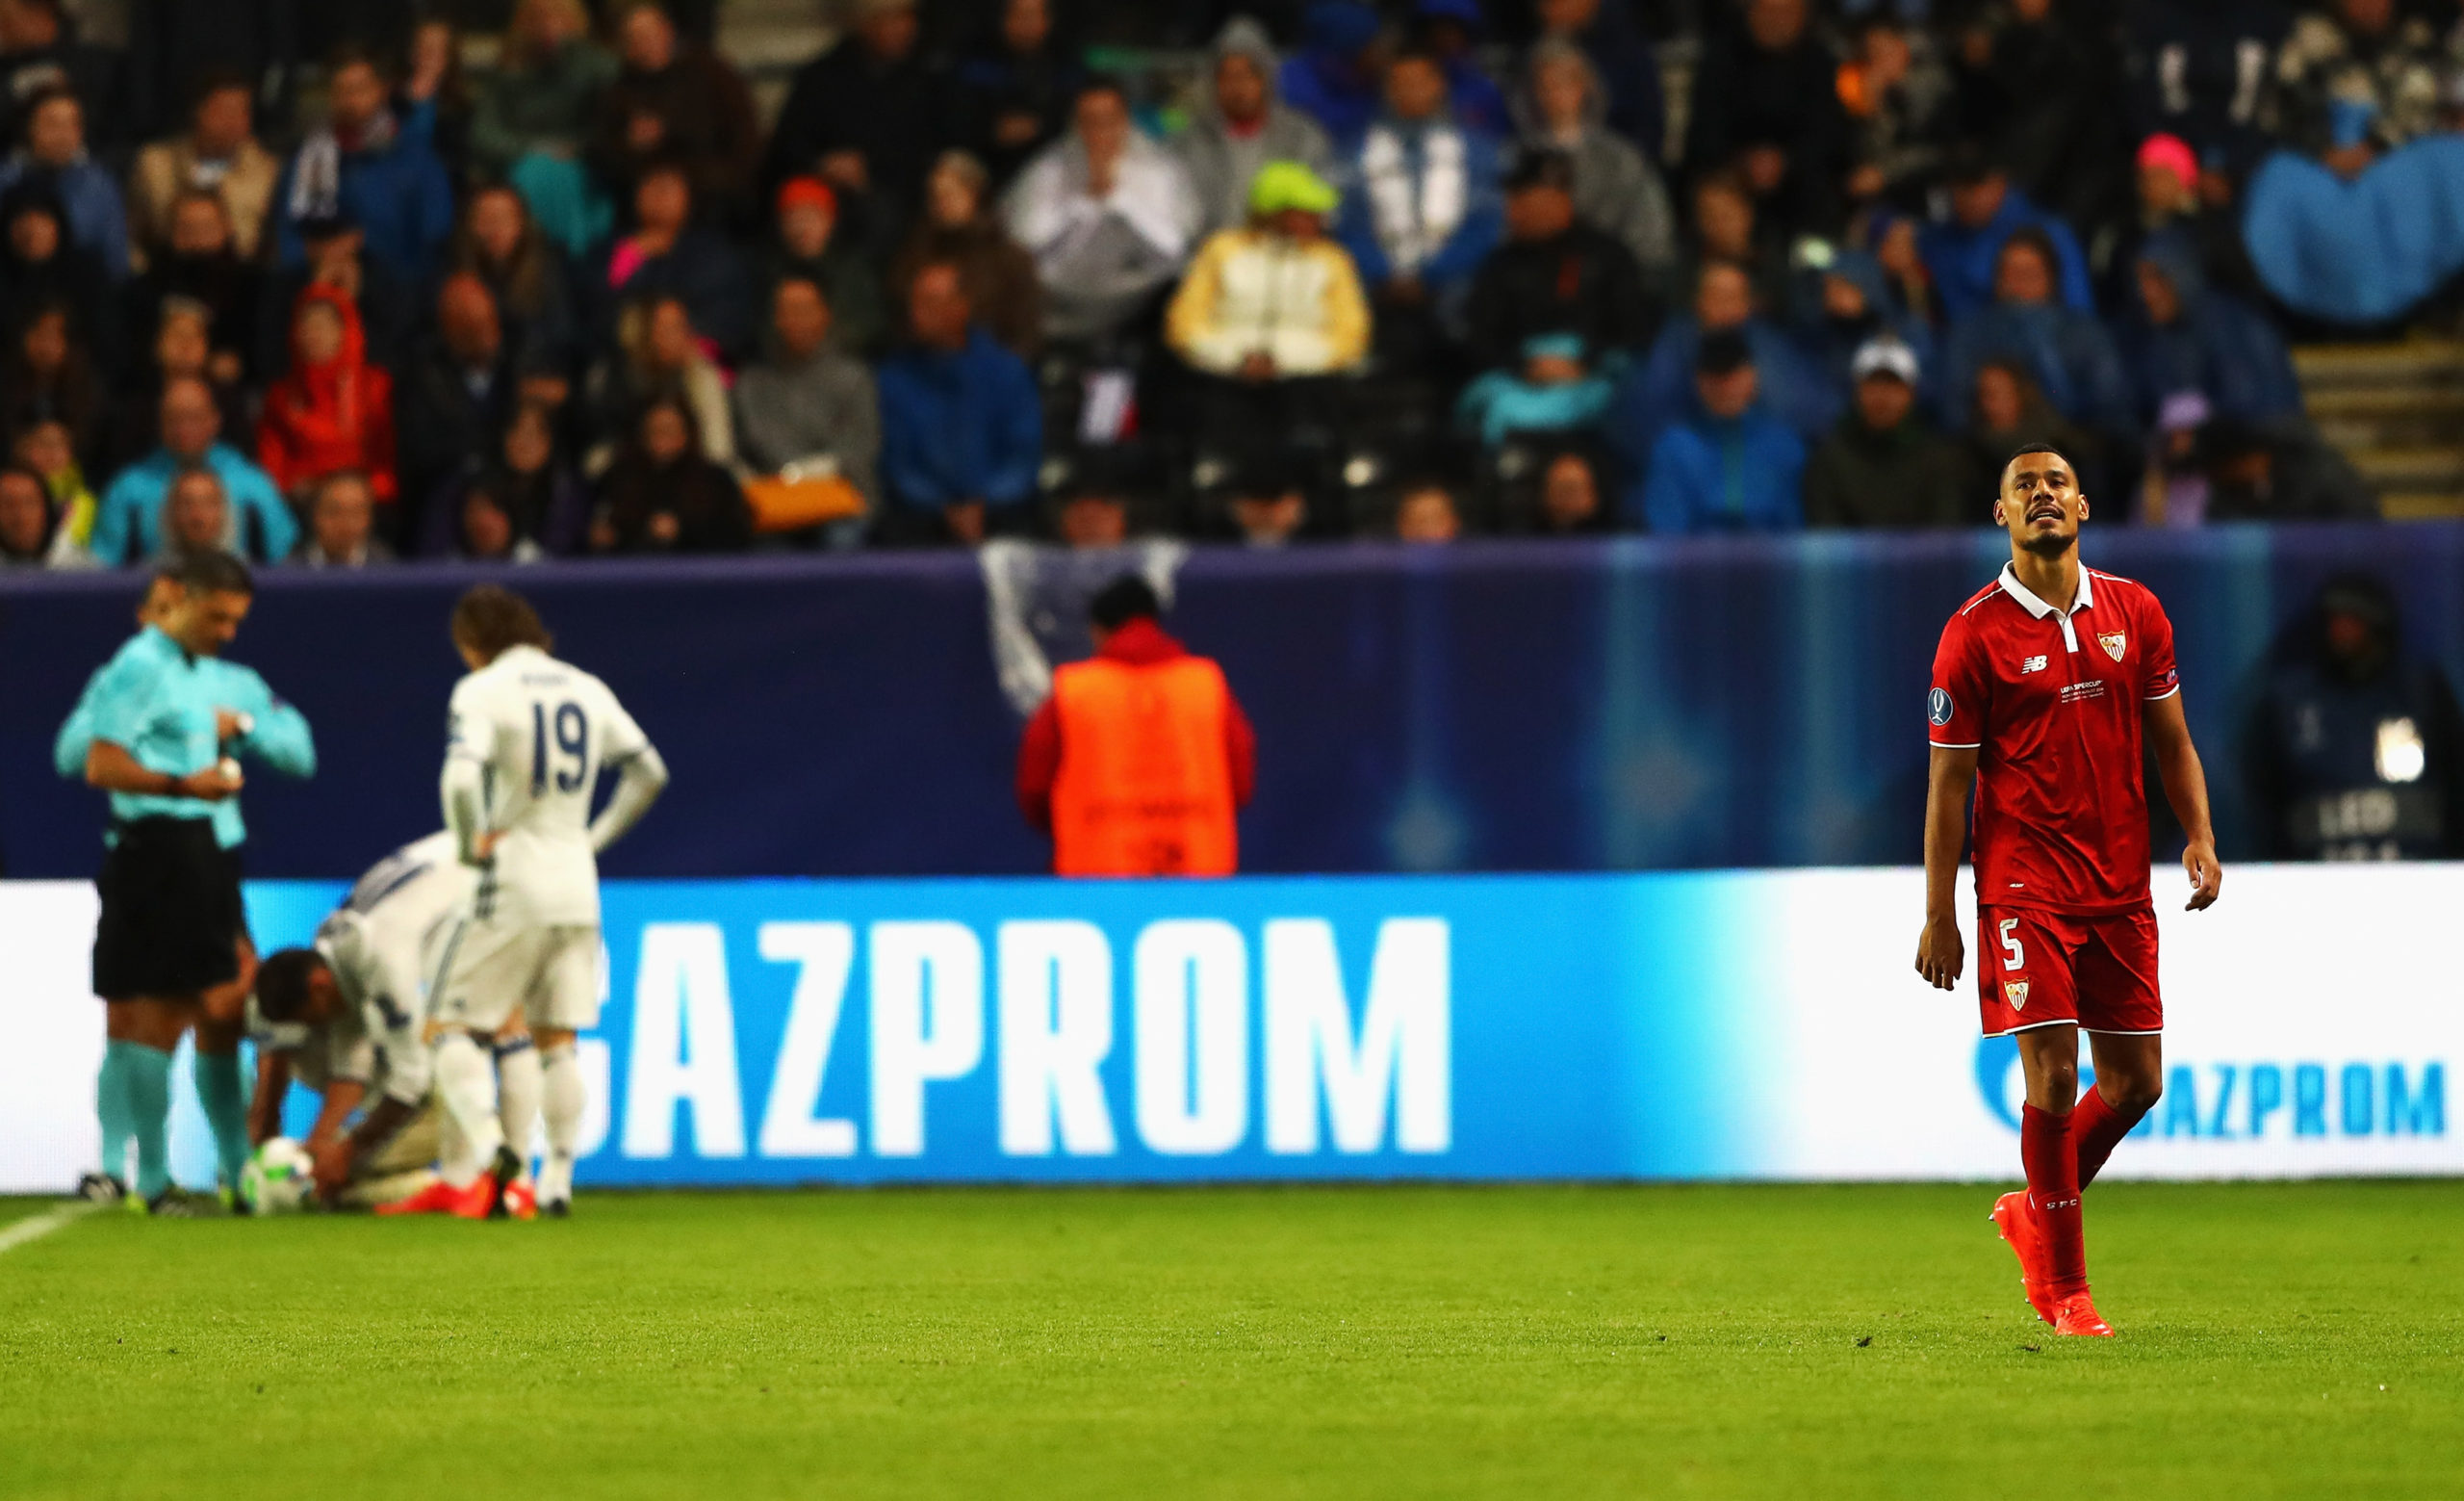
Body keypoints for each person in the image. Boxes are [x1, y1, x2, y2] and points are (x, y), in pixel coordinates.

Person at [1915, 441, 2222, 1338]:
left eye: (2056, 483)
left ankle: (2032, 1212)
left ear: (2084, 506)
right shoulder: (1973, 633)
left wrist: (2199, 834)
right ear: (2001, 515)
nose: (2042, 495)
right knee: (2052, 1073)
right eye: (2024, 487)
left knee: (2135, 1085)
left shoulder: (2136, 611)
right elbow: (1948, 786)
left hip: (2120, 885)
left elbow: (2171, 740)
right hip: (2024, 886)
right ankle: (2067, 1291)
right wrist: (1941, 911)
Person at [64, 551, 310, 1212]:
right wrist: (184, 784)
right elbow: (97, 762)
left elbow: (299, 750)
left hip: (196, 849)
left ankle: (225, 1171)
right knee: (153, 1013)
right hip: (159, 850)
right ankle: (150, 1178)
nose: (227, 632)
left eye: (236, 620)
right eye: (217, 616)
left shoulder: (190, 671)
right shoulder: (138, 667)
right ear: (179, 598)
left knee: (216, 1007)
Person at [419, 584, 668, 1218]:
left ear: (471, 642)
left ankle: (490, 1146)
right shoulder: (585, 686)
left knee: (449, 1025)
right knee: (557, 1039)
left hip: (511, 876)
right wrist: (593, 839)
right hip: (576, 881)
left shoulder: (483, 690)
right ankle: (557, 1177)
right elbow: (648, 772)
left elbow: (459, 774)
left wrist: (473, 844)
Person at [251, 833, 550, 1214]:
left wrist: (348, 1150)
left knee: (486, 1029)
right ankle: (476, 1182)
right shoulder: (335, 947)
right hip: (493, 864)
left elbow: (413, 1076)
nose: (318, 1032)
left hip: (508, 883)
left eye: (311, 1021)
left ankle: (509, 1184)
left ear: (318, 987)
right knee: (471, 1030)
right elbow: (350, 1055)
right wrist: (327, 1142)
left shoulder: (382, 959)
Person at [1015, 574, 1257, 877]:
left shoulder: (1072, 691)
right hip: (1198, 873)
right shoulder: (1206, 685)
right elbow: (1241, 781)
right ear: (1154, 622)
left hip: (1095, 874)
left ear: (1098, 631)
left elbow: (1036, 788)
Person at [2246, 572, 2464, 860]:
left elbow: (2455, 780)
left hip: (2419, 873)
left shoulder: (2422, 693)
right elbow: (2264, 799)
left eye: (2353, 620)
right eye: (2335, 620)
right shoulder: (2290, 703)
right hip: (2313, 877)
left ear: (2378, 625)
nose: (2342, 630)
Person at [1165, 160, 1369, 450]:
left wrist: (1282, 361)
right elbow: (1183, 325)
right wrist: (1236, 358)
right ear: (1274, 213)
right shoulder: (1221, 250)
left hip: (1305, 381)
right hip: (1224, 378)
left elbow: (1351, 337)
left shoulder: (1332, 259)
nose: (1318, 219)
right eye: (1305, 212)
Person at [1457, 148, 1651, 448]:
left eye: (1534, 199)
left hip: (1594, 378)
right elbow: (1480, 337)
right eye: (1515, 200)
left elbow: (1632, 329)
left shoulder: (1607, 255)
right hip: (1518, 379)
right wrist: (1525, 366)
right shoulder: (1499, 265)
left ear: (1563, 199)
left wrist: (1584, 363)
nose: (1518, 210)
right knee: (1490, 404)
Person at [1004, 76, 1200, 346]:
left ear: (1125, 121)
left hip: (1139, 307)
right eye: (1090, 121)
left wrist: (1119, 200)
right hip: (1061, 305)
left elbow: (1174, 249)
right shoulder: (1048, 171)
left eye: (1109, 120)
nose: (1100, 132)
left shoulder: (1158, 172)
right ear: (1076, 124)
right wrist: (1084, 202)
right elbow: (1025, 245)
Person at [1332, 43, 1503, 349]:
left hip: (1457, 289)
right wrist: (1383, 274)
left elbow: (1489, 224)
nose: (1411, 91)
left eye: (1421, 81)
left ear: (1439, 85)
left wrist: (1433, 276)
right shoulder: (1352, 153)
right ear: (1386, 90)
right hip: (1375, 289)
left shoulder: (1480, 153)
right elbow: (1343, 223)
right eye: (1400, 83)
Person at [875, 259, 1041, 544]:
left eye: (929, 302)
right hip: (922, 519)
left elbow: (1023, 454)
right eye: (914, 302)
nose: (917, 313)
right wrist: (945, 508)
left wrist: (982, 504)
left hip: (1000, 515)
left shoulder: (1005, 372)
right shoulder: (894, 378)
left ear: (961, 307)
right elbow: (896, 461)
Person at [763, 0, 942, 258]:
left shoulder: (923, 81)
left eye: (907, 19)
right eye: (890, 19)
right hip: (824, 189)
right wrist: (823, 164)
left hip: (899, 192)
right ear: (864, 24)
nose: (903, 28)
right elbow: (788, 144)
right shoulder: (822, 77)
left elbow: (928, 147)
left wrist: (871, 168)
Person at [270, 46, 455, 284]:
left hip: (397, 286)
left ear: (382, 90)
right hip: (319, 284)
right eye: (340, 91)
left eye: (359, 90)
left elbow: (435, 231)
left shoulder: (414, 155)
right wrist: (317, 255)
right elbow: (288, 231)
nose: (349, 101)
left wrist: (363, 243)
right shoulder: (313, 155)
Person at [1937, 228, 2134, 441]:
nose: (2017, 285)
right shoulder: (1972, 333)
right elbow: (1954, 407)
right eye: (2008, 273)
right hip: (1990, 451)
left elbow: (2111, 403)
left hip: (2071, 450)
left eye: (2028, 274)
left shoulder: (2083, 333)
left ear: (2051, 278)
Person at [1515, 39, 1675, 298]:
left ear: (1585, 87)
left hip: (1612, 288)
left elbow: (1650, 234)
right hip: (1534, 292)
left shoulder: (1621, 159)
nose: (1555, 94)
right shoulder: (1515, 158)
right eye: (1545, 85)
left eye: (1565, 82)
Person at [90, 376, 295, 566]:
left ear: (215, 420)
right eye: (174, 418)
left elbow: (286, 565)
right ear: (159, 422)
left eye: (194, 417)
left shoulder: (255, 486)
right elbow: (102, 569)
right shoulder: (128, 488)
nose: (184, 427)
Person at [1684, 0, 1845, 241]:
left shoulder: (1821, 63)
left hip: (1800, 180)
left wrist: (1786, 162)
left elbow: (1829, 133)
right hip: (1732, 173)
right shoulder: (1719, 58)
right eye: (1767, 10)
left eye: (1786, 12)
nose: (1776, 20)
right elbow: (1704, 131)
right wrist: (1743, 162)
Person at [470, 0, 617, 258]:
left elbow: (609, 125)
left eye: (557, 18)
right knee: (532, 173)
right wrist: (537, 148)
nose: (548, 27)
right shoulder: (508, 68)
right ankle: (534, 259)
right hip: (520, 165)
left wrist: (575, 146)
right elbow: (483, 134)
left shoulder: (597, 67)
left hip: (582, 165)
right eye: (538, 19)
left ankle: (570, 260)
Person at [732, 274, 882, 531]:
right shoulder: (752, 383)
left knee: (842, 540)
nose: (795, 320)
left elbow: (860, 448)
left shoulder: (854, 378)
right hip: (775, 502)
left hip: (845, 499)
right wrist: (790, 477)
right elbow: (752, 444)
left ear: (825, 314)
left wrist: (810, 472)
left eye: (804, 310)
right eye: (787, 311)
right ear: (775, 319)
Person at [590, 0, 759, 220]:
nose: (645, 44)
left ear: (668, 31)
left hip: (710, 195)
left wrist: (691, 179)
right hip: (647, 199)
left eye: (650, 34)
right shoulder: (619, 92)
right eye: (635, 38)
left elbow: (744, 140)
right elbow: (604, 155)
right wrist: (632, 145)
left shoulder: (711, 73)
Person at [1631, 329, 1805, 534]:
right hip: (1694, 563)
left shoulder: (1784, 445)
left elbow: (1795, 529)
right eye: (1715, 378)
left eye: (1733, 376)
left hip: (1771, 561)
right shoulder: (1673, 447)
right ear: (1699, 383)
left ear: (1751, 377)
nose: (1725, 388)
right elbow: (1667, 532)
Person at [1179, 17, 1335, 241]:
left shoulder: (1303, 137)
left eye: (1247, 75)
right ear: (1214, 83)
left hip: (1288, 258)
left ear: (1266, 79)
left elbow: (1323, 210)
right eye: (1227, 77)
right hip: (1211, 261)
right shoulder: (1188, 144)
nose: (1238, 88)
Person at [592, 161, 755, 366]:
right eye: (649, 186)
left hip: (698, 362)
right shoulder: (613, 249)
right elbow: (598, 316)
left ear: (688, 195)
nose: (658, 197)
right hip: (630, 365)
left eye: (667, 188)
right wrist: (630, 258)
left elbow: (729, 320)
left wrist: (690, 347)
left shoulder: (712, 252)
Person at [256, 286, 398, 511]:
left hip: (368, 507)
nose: (314, 334)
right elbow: (271, 469)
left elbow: (391, 464)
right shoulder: (281, 396)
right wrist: (296, 486)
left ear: (346, 330)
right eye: (306, 325)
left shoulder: (375, 387)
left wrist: (360, 490)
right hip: (302, 509)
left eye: (324, 325)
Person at [1804, 337, 1966, 530]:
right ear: (1857, 391)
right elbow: (1827, 540)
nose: (1882, 397)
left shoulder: (1938, 461)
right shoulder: (1830, 460)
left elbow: (1945, 538)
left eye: (1893, 385)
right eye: (1873, 384)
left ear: (1910, 393)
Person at [1917, 147, 2094, 323]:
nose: (1964, 196)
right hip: (1968, 344)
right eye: (1956, 186)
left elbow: (2079, 314)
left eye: (1975, 184)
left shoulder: (2050, 232)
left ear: (1999, 181)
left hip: (2044, 342)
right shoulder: (1938, 238)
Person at [891, 151, 1040, 359]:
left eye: (950, 195)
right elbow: (901, 317)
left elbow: (1024, 330)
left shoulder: (1008, 260)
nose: (942, 204)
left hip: (992, 371)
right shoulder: (915, 254)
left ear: (975, 195)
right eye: (935, 196)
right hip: (925, 368)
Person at [395, 273, 517, 525]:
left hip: (511, 493)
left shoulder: (517, 366)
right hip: (444, 500)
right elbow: (421, 451)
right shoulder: (425, 377)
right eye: (471, 327)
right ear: (449, 331)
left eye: (489, 321)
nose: (488, 335)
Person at [591, 395, 752, 555]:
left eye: (668, 429)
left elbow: (736, 535)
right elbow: (599, 525)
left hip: (700, 572)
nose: (660, 438)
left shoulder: (715, 480)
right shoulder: (618, 478)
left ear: (686, 434)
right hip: (630, 573)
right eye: (653, 430)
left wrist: (683, 532)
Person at [952, 0, 1082, 188]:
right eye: (1019, 15)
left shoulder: (1065, 61)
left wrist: (1039, 126)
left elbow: (1077, 117)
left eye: (1034, 15)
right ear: (1004, 18)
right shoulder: (975, 58)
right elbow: (955, 119)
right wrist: (990, 130)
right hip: (986, 166)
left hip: (1053, 167)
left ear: (1047, 20)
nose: (1027, 24)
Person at [0, 87, 127, 279]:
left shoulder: (100, 185)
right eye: (52, 124)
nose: (63, 135)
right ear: (28, 127)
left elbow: (115, 261)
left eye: (72, 125)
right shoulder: (5, 179)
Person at [764, 175, 889, 360]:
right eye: (793, 217)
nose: (801, 227)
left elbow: (869, 327)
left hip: (844, 366)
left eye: (811, 216)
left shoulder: (854, 271)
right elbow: (764, 333)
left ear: (831, 221)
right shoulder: (769, 273)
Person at [293, 470, 393, 567]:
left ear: (370, 518)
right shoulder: (290, 568)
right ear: (314, 515)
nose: (346, 523)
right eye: (334, 512)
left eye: (355, 513)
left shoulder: (387, 566)